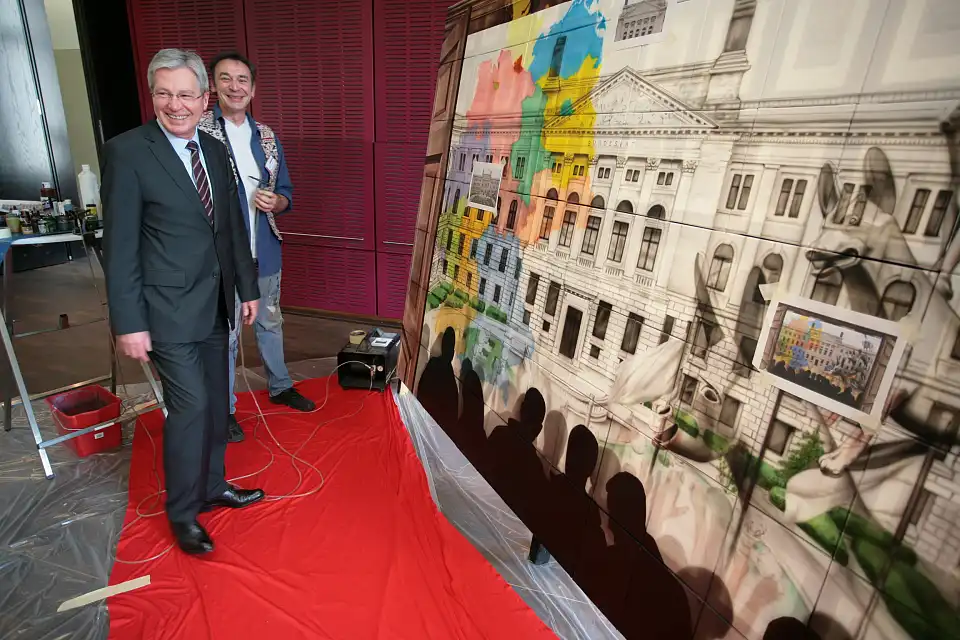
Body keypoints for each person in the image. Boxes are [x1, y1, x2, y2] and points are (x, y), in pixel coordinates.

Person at [102, 48, 265, 555]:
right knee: (191, 407)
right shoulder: (127, 152)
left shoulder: (215, 151)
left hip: (215, 304)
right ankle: (183, 511)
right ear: (153, 96)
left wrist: (248, 288)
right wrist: (129, 323)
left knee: (216, 406)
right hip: (165, 311)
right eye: (165, 94)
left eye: (187, 94)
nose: (177, 105)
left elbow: (232, 228)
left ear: (205, 98)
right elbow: (121, 245)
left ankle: (213, 486)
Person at [199, 51, 314, 444]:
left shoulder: (265, 135)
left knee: (270, 322)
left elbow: (286, 192)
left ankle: (280, 386)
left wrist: (278, 202)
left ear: (252, 88)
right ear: (213, 86)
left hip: (263, 248)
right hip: (219, 256)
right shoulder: (197, 132)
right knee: (227, 333)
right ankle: (225, 409)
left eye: (243, 80)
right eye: (226, 79)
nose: (235, 87)